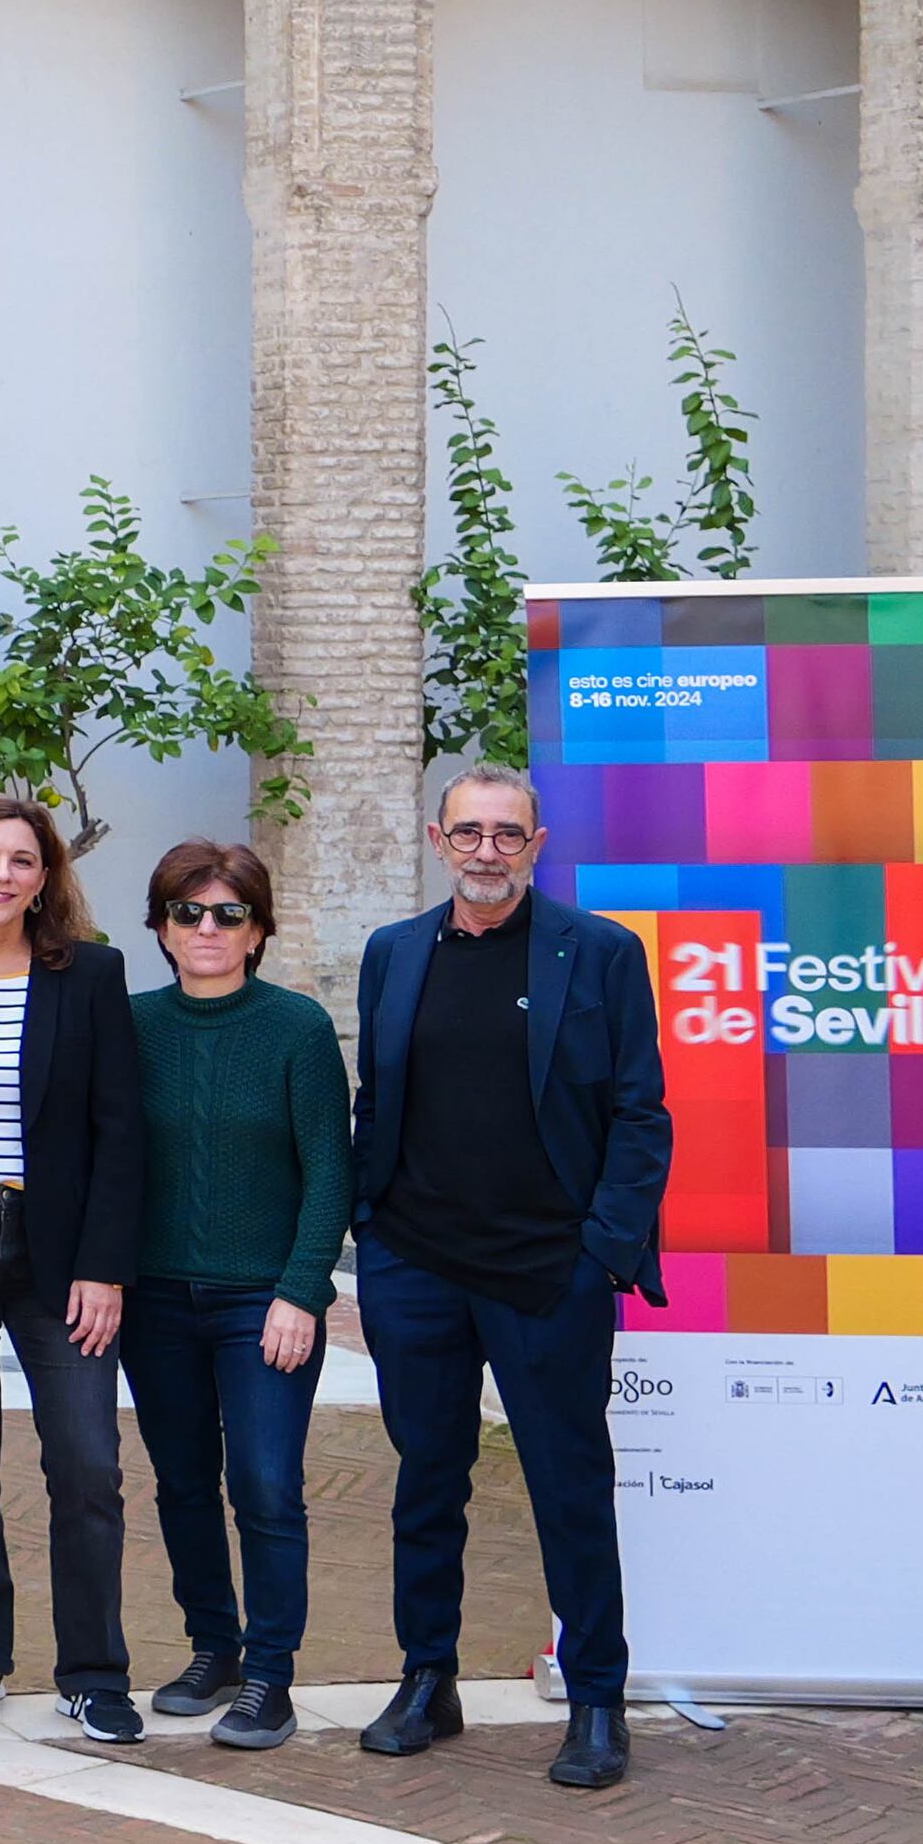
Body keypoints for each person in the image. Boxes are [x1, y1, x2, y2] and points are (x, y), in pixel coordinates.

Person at [352, 767, 669, 1791]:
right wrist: (371, 1234)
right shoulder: (392, 953)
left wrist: (601, 1252)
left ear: (536, 844)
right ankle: (425, 1677)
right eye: (467, 833)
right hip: (416, 1265)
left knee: (568, 1487)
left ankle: (594, 1700)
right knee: (424, 1481)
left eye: (507, 834)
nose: (486, 851)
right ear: (437, 840)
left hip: (548, 1272)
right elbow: (378, 1098)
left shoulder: (601, 953)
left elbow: (638, 1113)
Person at [0, 793, 150, 1743]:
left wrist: (105, 1267)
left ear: (47, 879)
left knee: (88, 1463)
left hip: (61, 1257)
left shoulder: (90, 974)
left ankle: (94, 1670)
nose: (3, 874)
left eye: (22, 861)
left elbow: (118, 1132)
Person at [125, 838, 350, 1755]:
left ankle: (270, 1677)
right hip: (154, 1302)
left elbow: (331, 1171)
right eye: (189, 912)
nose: (208, 928)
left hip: (263, 1301)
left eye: (228, 913)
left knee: (265, 1484)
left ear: (257, 930)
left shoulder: (296, 1028)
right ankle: (211, 1648)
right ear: (162, 928)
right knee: (182, 1481)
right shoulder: (131, 1026)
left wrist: (302, 1290)